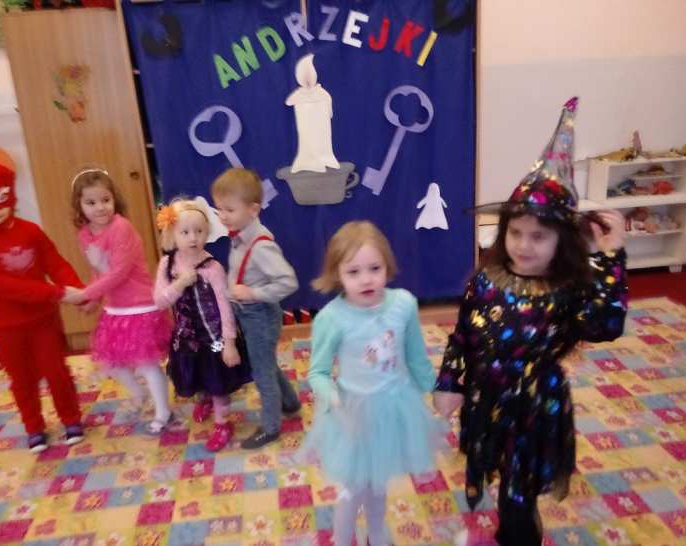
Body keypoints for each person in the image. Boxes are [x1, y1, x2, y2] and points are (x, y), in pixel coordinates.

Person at [433, 97, 628, 546]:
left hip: (535, 406)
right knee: (494, 465)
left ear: (562, 241)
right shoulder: (486, 280)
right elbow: (462, 336)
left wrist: (610, 258)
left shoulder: (568, 288)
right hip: (486, 397)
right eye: (516, 233)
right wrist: (449, 382)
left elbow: (605, 325)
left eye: (538, 236)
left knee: (518, 496)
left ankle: (518, 532)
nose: (523, 245)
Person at [306, 221, 446, 546]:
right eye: (353, 272)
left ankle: (377, 533)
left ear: (387, 266)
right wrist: (334, 400)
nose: (366, 279)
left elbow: (416, 358)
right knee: (354, 487)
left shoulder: (404, 304)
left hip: (395, 408)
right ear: (337, 274)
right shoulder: (331, 318)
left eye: (374, 268)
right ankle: (342, 538)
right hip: (353, 414)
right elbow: (318, 372)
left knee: (378, 481)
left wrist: (437, 390)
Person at [0, 155, 85, 452]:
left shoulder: (30, 231)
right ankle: (34, 426)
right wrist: (57, 293)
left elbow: (55, 263)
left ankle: (70, 418)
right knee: (22, 379)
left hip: (43, 320)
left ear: (11, 194)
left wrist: (78, 290)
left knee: (56, 371)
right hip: (4, 325)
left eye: (0, 197)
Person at [69, 168, 172, 435]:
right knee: (111, 362)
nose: (100, 207)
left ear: (114, 199)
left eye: (105, 200)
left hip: (140, 305)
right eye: (91, 202)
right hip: (115, 308)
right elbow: (99, 271)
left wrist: (85, 294)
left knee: (146, 363)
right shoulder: (85, 234)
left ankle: (163, 411)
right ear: (79, 206)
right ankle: (139, 395)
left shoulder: (120, 227)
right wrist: (94, 297)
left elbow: (118, 273)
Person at [211, 167, 301, 449]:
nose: (222, 216)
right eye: (219, 209)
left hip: (259, 315)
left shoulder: (260, 246)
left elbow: (288, 281)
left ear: (253, 209)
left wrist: (254, 293)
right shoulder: (240, 234)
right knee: (266, 363)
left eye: (229, 209)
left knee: (262, 372)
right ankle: (290, 402)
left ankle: (271, 427)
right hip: (248, 314)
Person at [153, 197, 250, 451]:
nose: (193, 238)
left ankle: (222, 423)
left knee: (219, 383)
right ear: (172, 234)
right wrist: (179, 283)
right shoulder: (167, 265)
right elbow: (160, 301)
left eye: (199, 231)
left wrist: (230, 343)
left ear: (207, 233)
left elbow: (225, 308)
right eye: (185, 232)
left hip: (214, 339)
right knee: (195, 375)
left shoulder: (212, 267)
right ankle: (205, 396)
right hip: (186, 340)